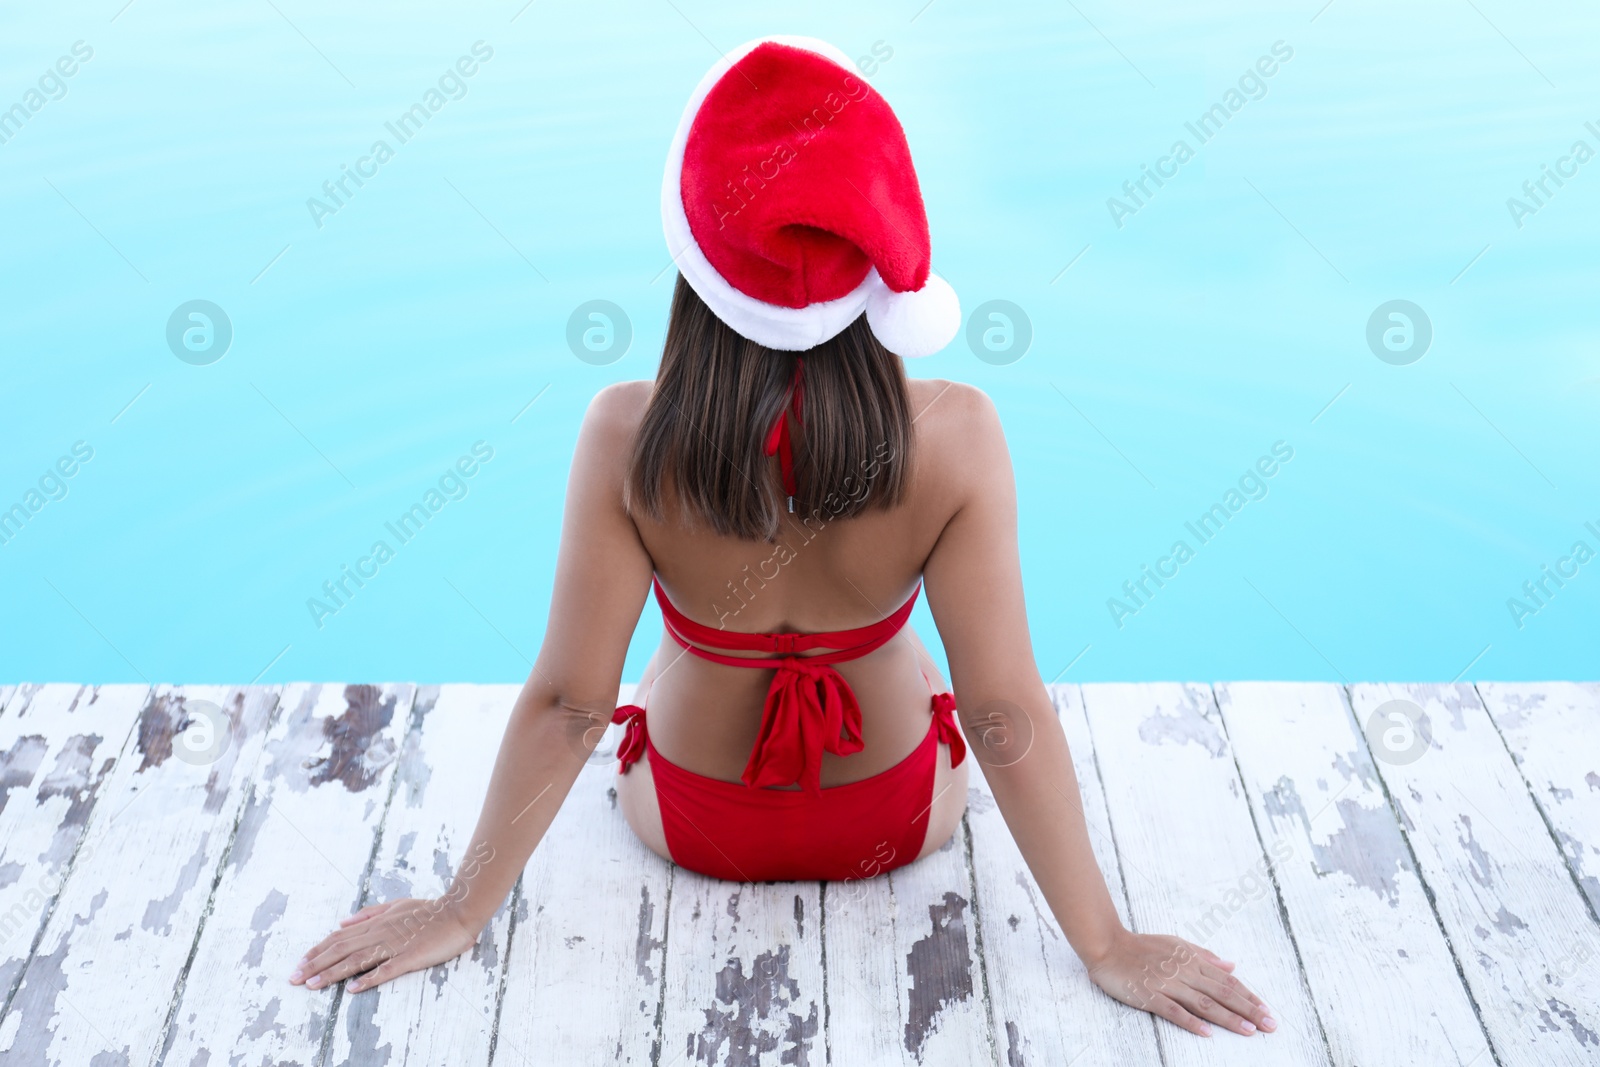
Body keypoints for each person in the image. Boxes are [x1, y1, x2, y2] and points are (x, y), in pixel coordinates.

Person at [291, 35, 1275, 1041]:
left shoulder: (627, 436)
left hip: (688, 816)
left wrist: (462, 908)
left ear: (696, 262)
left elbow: (572, 702)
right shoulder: (957, 435)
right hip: (896, 814)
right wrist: (1105, 942)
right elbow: (1001, 708)